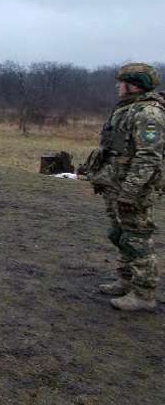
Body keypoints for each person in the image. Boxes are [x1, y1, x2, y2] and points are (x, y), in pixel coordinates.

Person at [87, 63, 165, 311]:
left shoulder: (149, 114)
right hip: (115, 183)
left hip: (133, 188)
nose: (117, 86)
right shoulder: (127, 109)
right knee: (121, 234)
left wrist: (131, 190)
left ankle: (144, 293)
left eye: (121, 82)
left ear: (134, 85)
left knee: (137, 237)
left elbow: (149, 156)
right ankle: (126, 279)